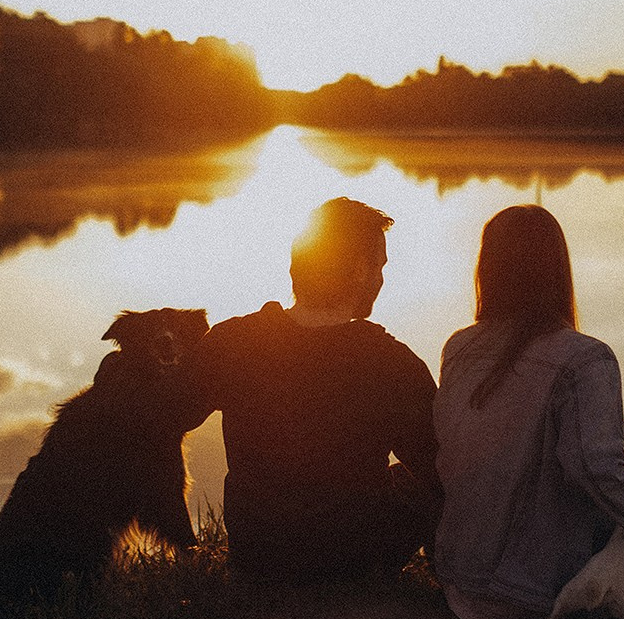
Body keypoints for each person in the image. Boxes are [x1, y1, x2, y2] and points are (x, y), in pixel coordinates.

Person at [431, 204, 624, 619]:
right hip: (538, 598)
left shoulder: (459, 348)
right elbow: (599, 473)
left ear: (487, 270)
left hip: (460, 585)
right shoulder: (585, 360)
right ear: (558, 271)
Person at [188, 197, 441, 581]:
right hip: (352, 561)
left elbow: (170, 415)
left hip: (258, 556)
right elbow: (440, 467)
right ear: (359, 270)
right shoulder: (392, 363)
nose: (381, 279)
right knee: (427, 479)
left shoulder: (232, 341)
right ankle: (451, 580)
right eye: (379, 266)